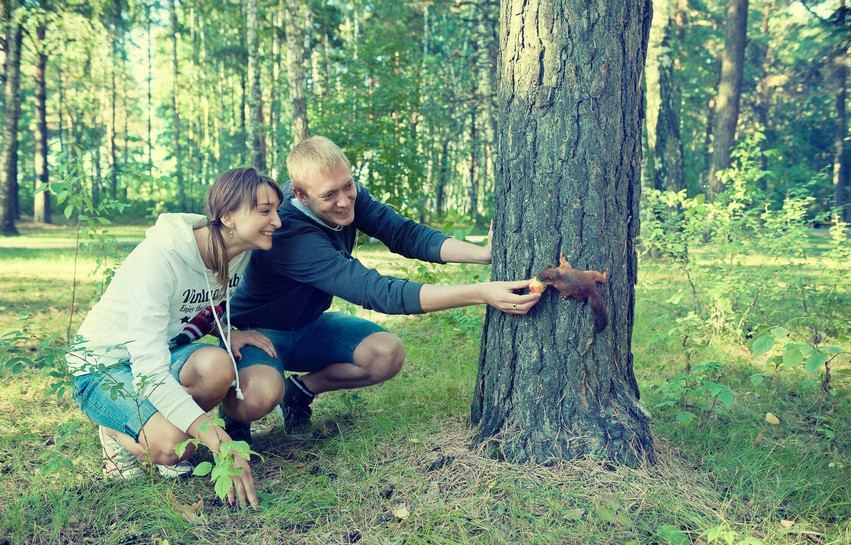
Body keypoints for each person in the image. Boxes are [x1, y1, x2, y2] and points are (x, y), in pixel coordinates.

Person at [225, 136, 540, 441]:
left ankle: (299, 392)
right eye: (329, 194)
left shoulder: (348, 195)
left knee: (385, 354)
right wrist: (480, 294)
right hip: (258, 333)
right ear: (301, 195)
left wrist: (482, 255)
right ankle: (235, 420)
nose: (344, 200)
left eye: (348, 185)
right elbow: (376, 290)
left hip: (309, 326)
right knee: (259, 395)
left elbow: (403, 234)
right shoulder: (288, 233)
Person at [66, 167, 284, 509]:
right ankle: (116, 433)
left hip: (164, 354)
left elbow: (200, 303)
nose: (277, 222)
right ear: (228, 216)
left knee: (216, 365)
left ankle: (158, 422)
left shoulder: (239, 251)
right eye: (265, 211)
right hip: (102, 366)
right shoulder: (161, 259)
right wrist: (215, 438)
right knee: (173, 446)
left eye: (277, 211)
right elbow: (149, 370)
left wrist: (228, 331)